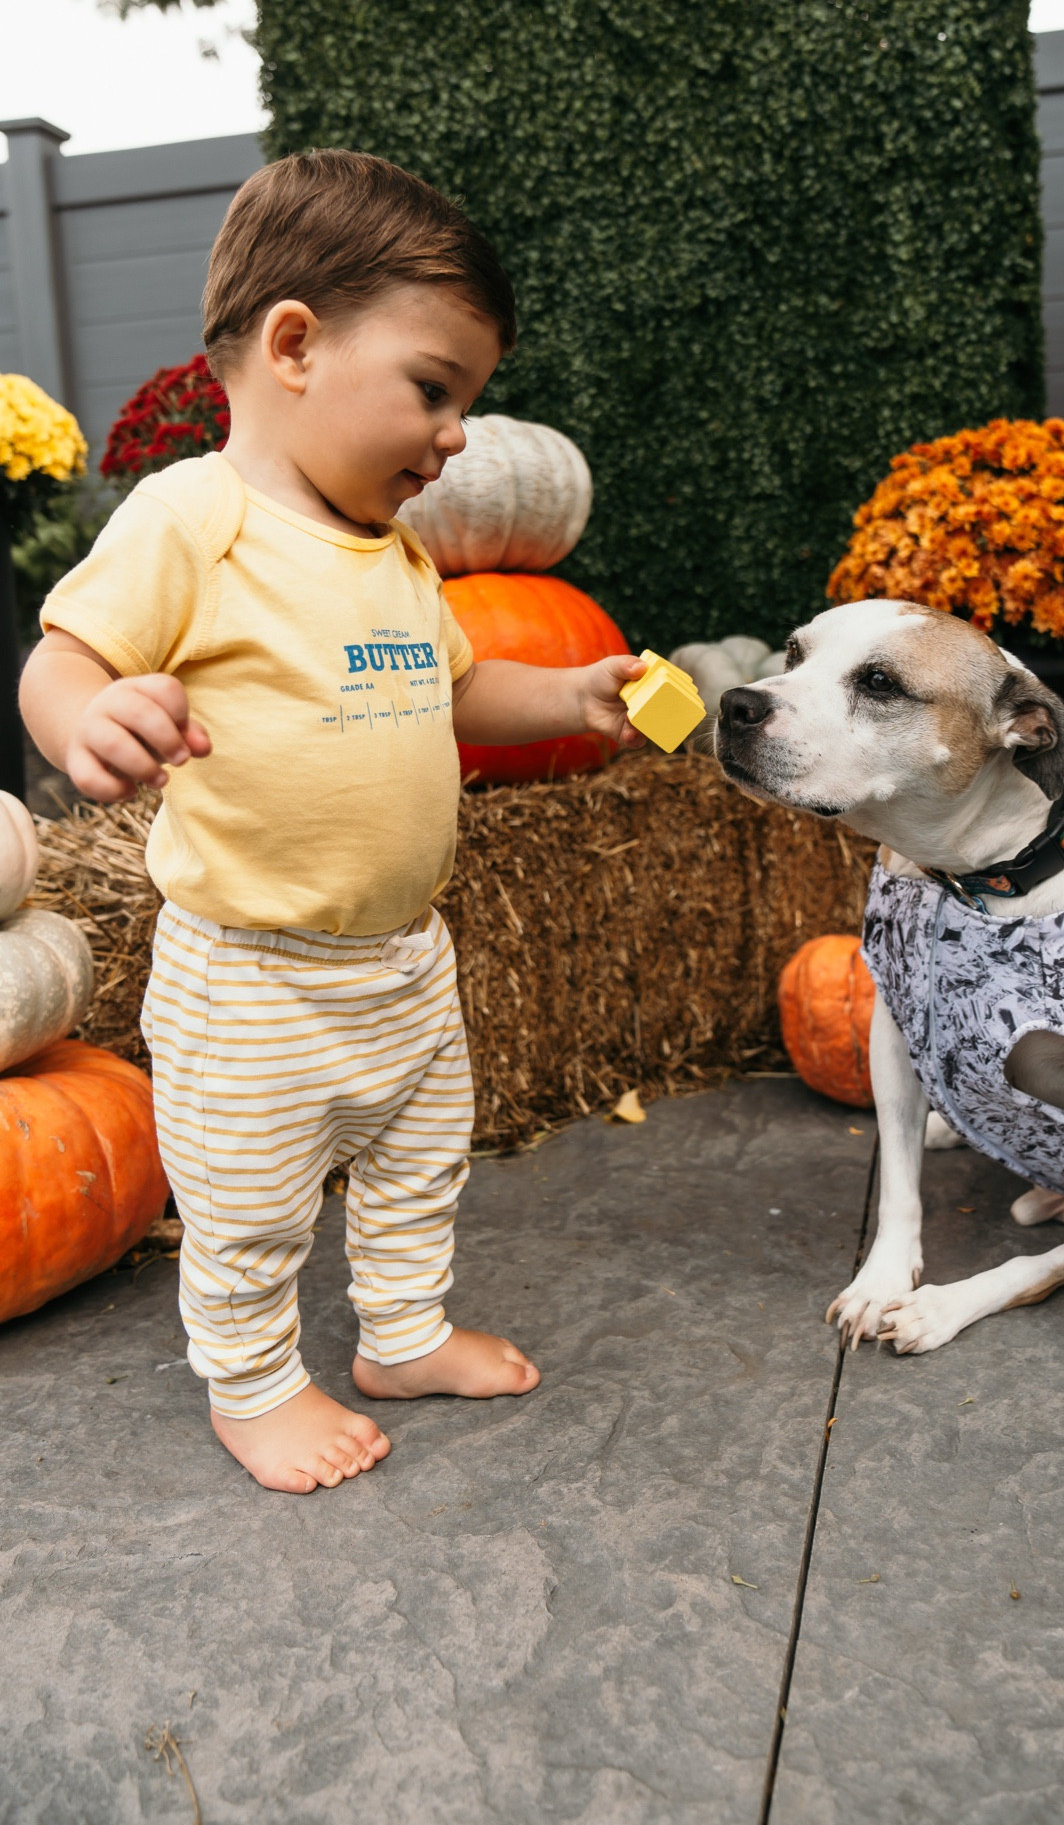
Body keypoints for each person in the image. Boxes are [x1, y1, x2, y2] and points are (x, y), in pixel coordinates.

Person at [21, 149, 644, 1495]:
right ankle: (251, 1388)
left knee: (423, 1168)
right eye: (434, 389)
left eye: (467, 403)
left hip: (403, 963)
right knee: (247, 1208)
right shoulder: (195, 517)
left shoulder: (397, 552)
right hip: (254, 976)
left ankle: (402, 1335)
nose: (458, 434)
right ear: (294, 345)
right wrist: (85, 720)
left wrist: (567, 692)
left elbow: (456, 680)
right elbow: (60, 654)